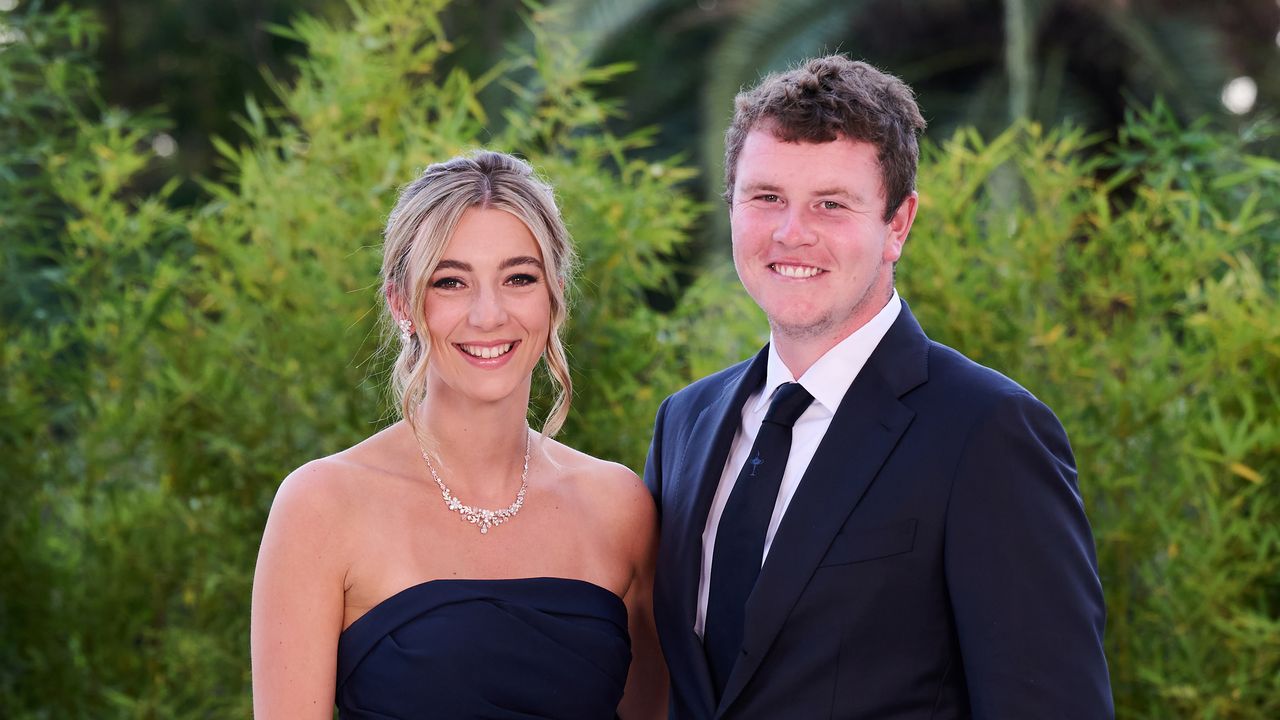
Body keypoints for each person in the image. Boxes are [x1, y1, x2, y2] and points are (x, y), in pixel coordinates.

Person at [643, 56, 1113, 718]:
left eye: (831, 204)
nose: (790, 232)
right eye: (766, 197)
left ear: (898, 224)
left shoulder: (987, 432)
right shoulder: (684, 424)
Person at [252, 150, 667, 719]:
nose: (489, 314)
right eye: (451, 282)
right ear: (402, 303)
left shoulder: (621, 508)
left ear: (554, 297)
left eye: (519, 278)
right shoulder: (321, 507)